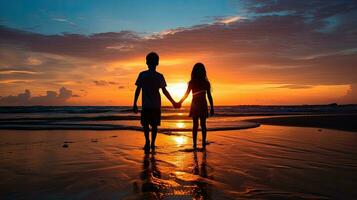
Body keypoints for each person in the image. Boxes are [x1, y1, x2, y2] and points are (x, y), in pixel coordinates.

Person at [133, 52, 179, 152]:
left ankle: (147, 141)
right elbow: (164, 91)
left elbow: (138, 90)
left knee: (145, 125)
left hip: (146, 105)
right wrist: (173, 102)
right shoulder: (159, 76)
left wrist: (135, 103)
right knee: (154, 126)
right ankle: (153, 143)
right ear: (157, 63)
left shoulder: (142, 74)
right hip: (155, 106)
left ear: (146, 62)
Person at [178, 63, 214, 149]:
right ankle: (204, 142)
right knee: (203, 125)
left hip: (195, 104)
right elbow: (209, 96)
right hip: (203, 104)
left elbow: (186, 94)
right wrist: (212, 107)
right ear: (203, 72)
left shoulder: (192, 82)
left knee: (195, 125)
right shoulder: (206, 83)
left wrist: (180, 102)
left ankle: (194, 143)